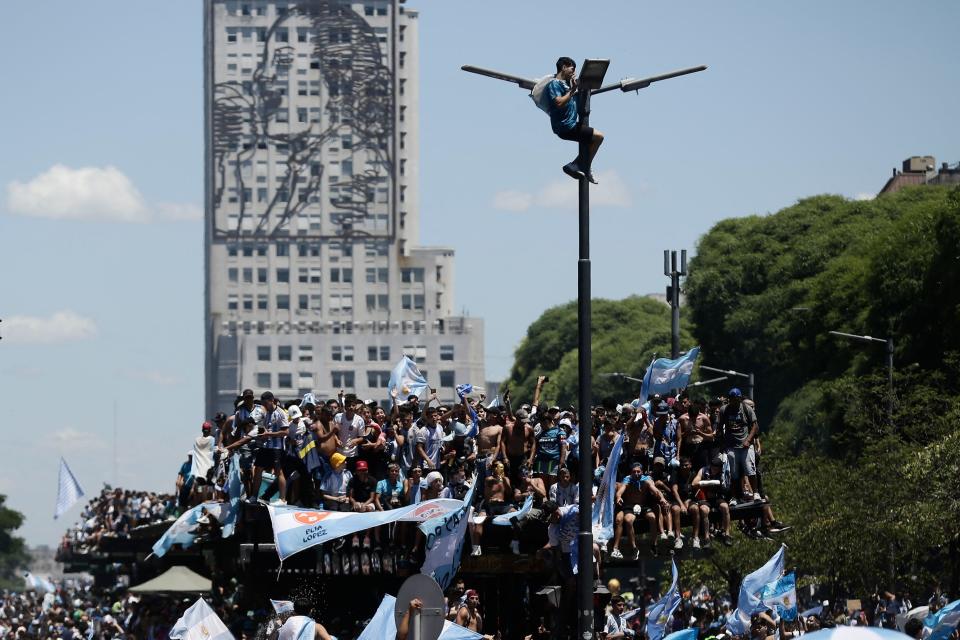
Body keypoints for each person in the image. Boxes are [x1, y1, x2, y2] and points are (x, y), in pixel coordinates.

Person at [546, 56, 604, 183]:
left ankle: (579, 165)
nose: (573, 72)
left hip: (570, 125)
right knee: (599, 137)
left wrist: (575, 89)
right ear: (564, 67)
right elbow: (559, 102)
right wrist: (572, 90)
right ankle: (579, 165)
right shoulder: (554, 84)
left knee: (593, 140)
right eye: (572, 69)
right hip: (566, 126)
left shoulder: (566, 85)